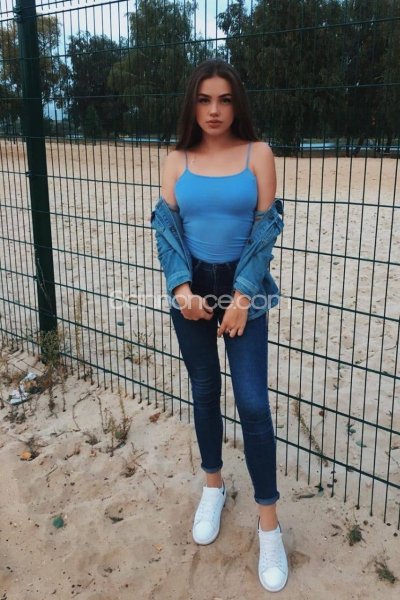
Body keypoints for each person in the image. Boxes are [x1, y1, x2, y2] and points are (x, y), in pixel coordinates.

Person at [150, 58, 288, 593]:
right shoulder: (175, 160)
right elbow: (166, 230)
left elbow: (265, 230)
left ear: (237, 105)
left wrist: (243, 296)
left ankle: (269, 526)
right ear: (192, 104)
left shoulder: (259, 154)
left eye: (225, 100)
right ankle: (214, 486)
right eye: (204, 99)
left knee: (252, 403)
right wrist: (181, 289)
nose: (214, 110)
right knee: (204, 390)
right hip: (192, 286)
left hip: (243, 285)